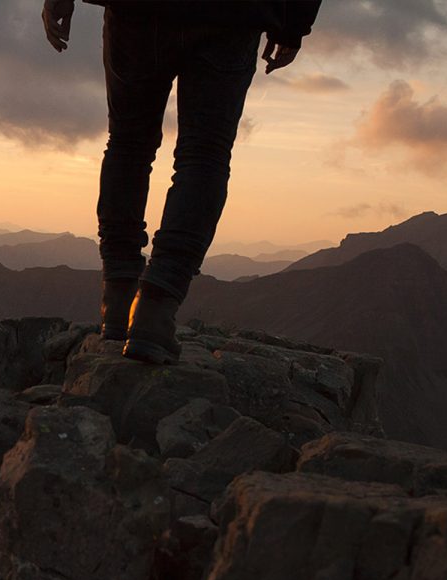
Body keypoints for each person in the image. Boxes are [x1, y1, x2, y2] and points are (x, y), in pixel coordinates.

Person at [42, 0, 321, 363]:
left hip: (137, 12)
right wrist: (292, 23)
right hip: (233, 17)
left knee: (128, 142)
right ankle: (155, 310)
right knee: (204, 154)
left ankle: (118, 298)